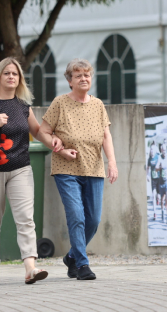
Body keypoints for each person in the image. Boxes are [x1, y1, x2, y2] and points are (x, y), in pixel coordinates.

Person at [0, 57, 60, 286]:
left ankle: (30, 268)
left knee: (26, 219)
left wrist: (57, 144)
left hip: (20, 169)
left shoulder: (22, 106)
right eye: (6, 73)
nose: (11, 77)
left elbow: (38, 132)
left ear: (20, 79)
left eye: (15, 74)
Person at [40, 59, 118, 281]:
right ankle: (83, 265)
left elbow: (106, 136)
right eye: (78, 75)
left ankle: (71, 257)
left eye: (87, 75)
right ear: (70, 81)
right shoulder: (60, 103)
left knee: (93, 220)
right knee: (76, 216)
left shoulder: (98, 105)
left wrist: (112, 162)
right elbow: (43, 131)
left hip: (94, 167)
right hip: (66, 168)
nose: (84, 79)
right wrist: (58, 146)